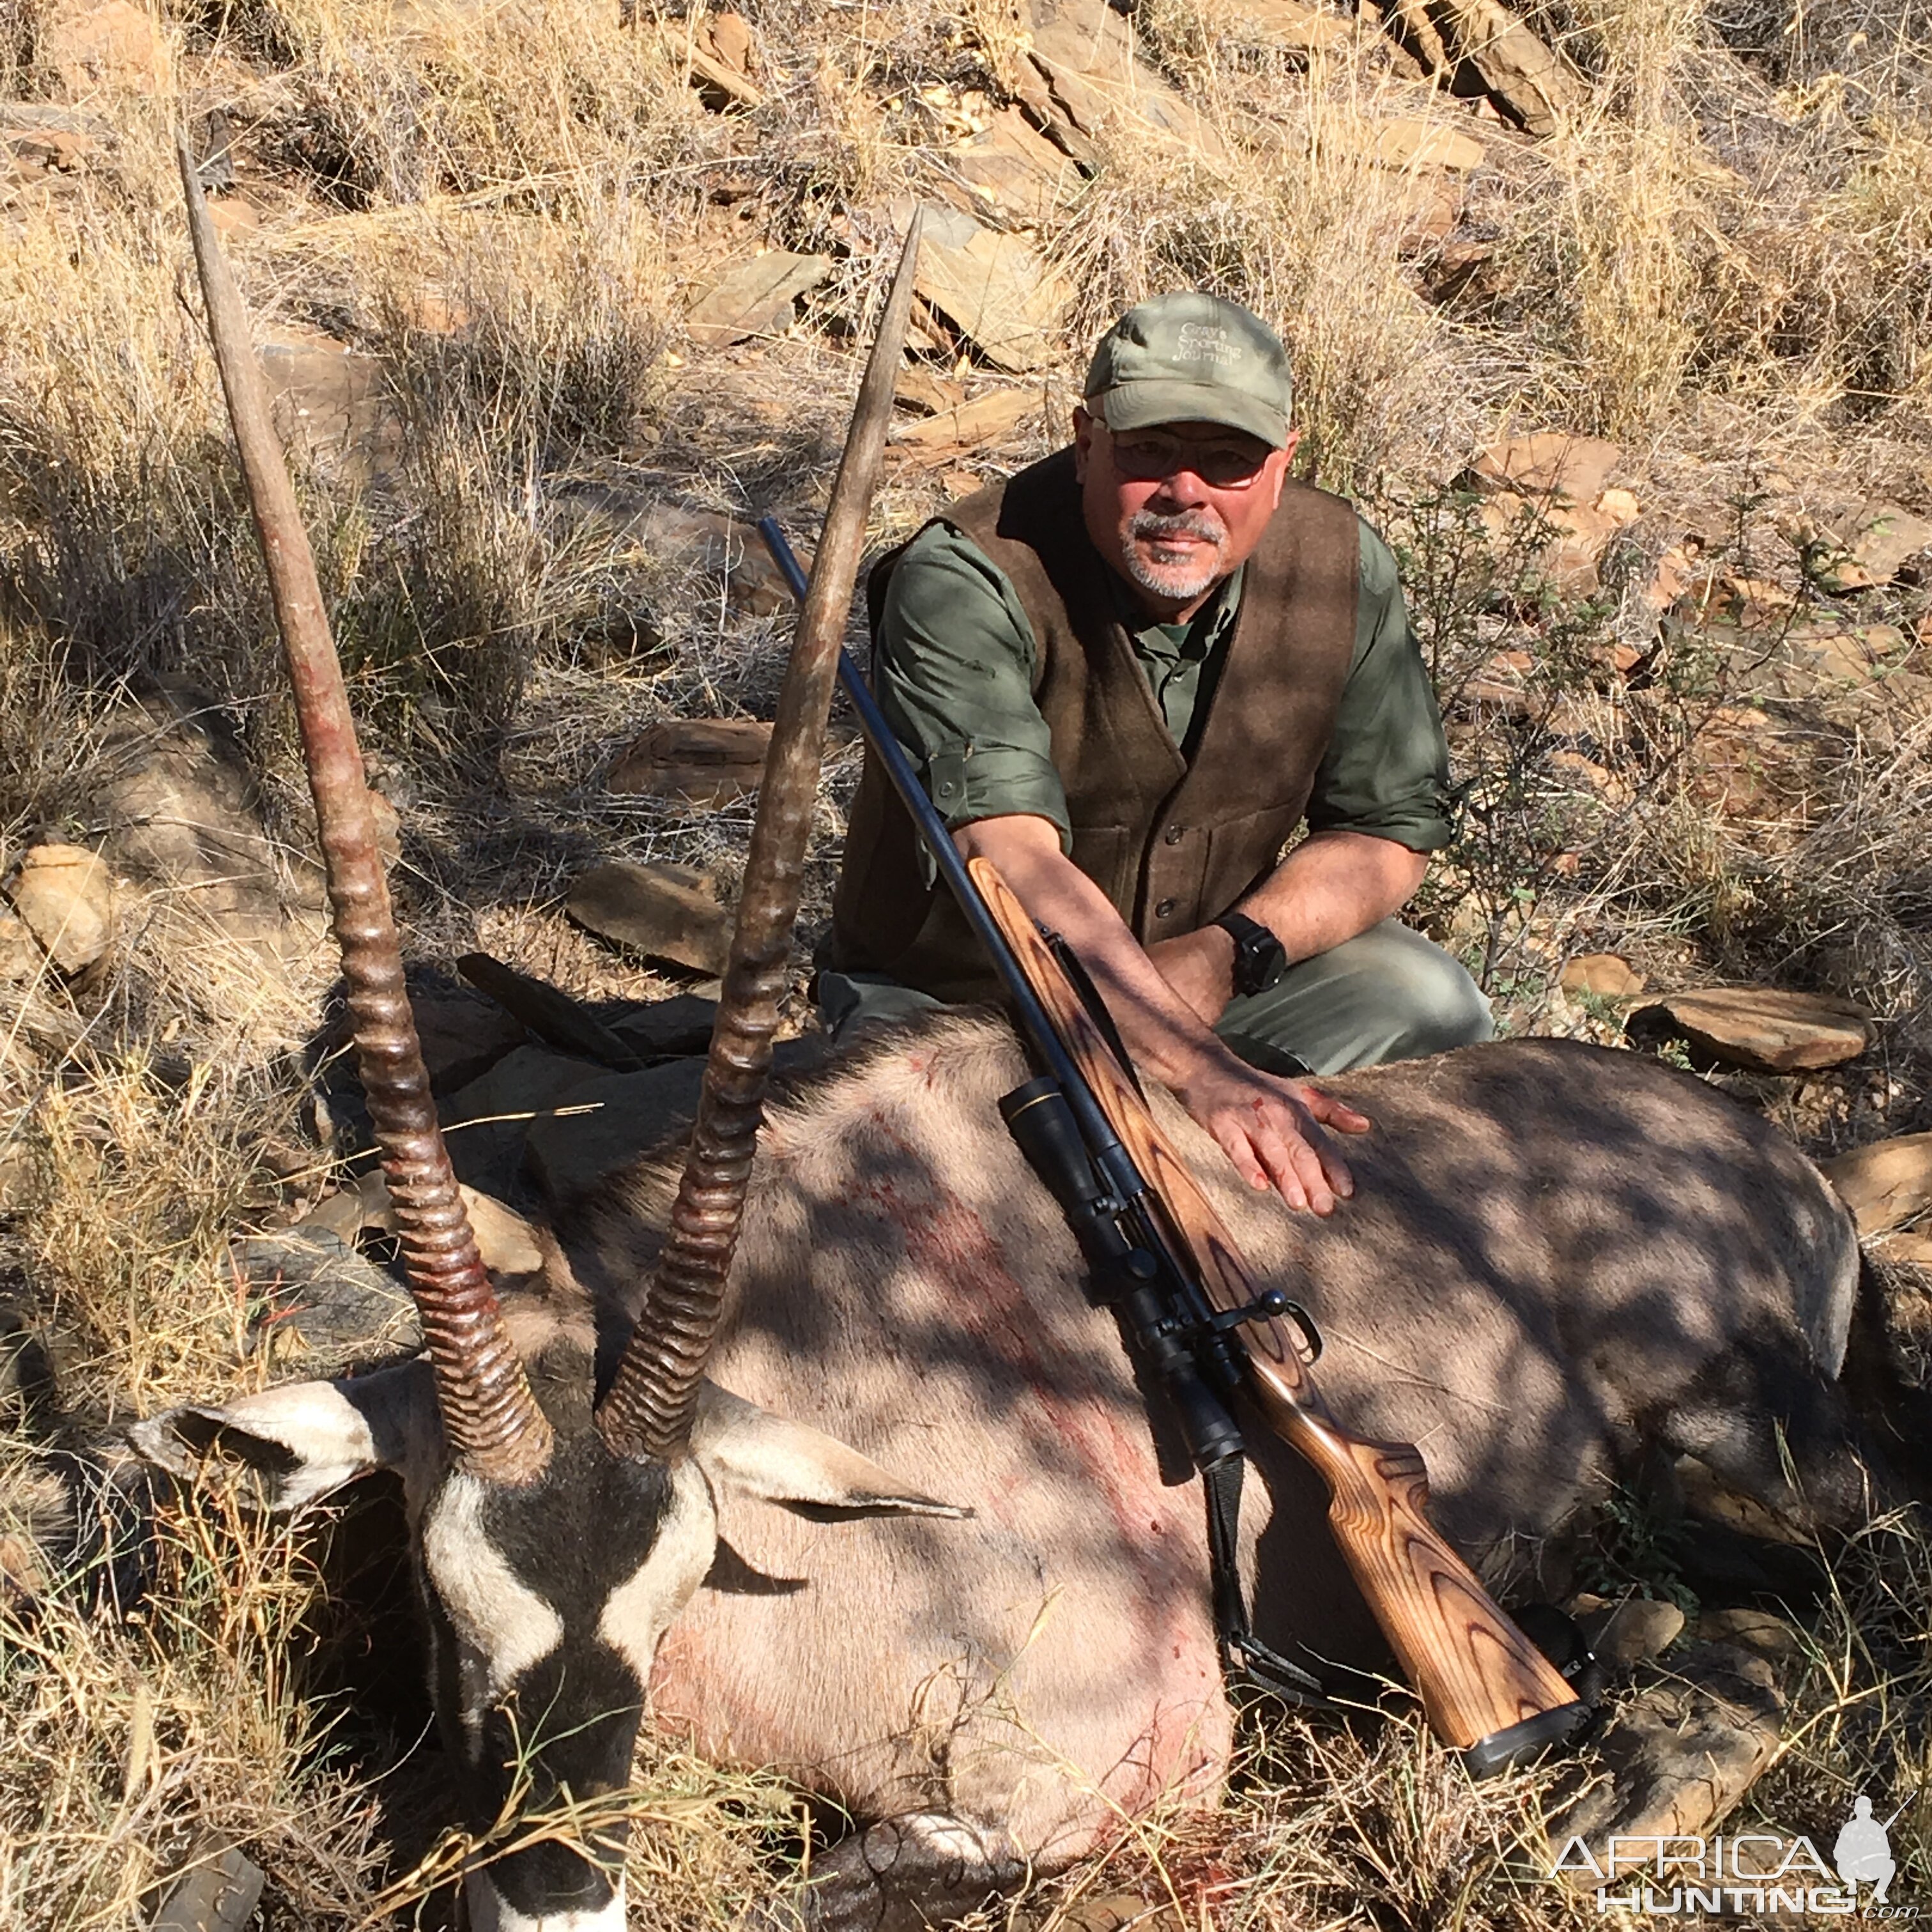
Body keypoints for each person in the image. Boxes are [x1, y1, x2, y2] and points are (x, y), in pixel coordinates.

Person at [820, 293, 1489, 1216]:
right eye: (1148, 451)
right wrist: (1200, 1066)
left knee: (1431, 997)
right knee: (927, 1179)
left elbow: (1388, 832)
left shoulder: (1345, 565)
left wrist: (1227, 955)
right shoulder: (966, 574)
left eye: (1229, 461)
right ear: (1086, 438)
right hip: (972, 1002)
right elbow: (1010, 857)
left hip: (1206, 982)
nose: (1187, 492)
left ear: (1284, 461)